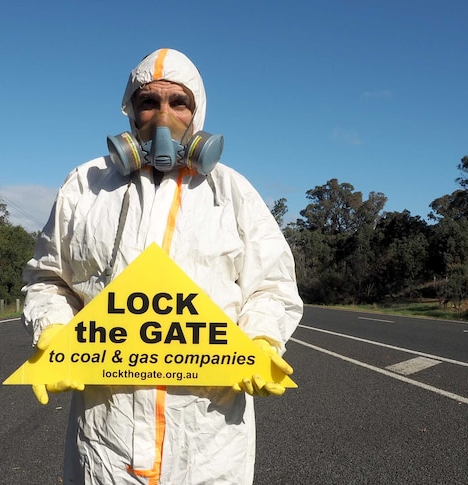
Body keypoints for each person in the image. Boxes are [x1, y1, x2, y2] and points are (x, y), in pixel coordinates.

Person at [22, 48, 303, 485]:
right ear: (130, 112)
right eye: (148, 101)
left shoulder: (232, 191)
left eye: (179, 102)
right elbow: (47, 278)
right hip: (105, 435)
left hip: (208, 437)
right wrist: (53, 330)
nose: (162, 115)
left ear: (198, 114)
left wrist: (261, 339)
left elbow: (272, 285)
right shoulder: (86, 185)